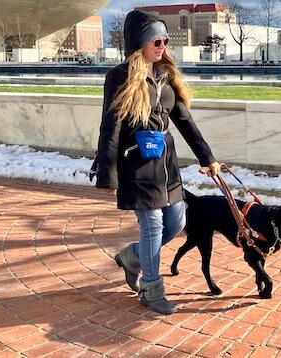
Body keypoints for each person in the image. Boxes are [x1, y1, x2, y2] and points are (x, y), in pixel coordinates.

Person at [95, 9, 220, 315]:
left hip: (166, 164)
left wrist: (208, 157)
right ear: (140, 42)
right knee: (152, 226)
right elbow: (109, 126)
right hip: (136, 164)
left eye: (165, 39)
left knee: (176, 222)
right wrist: (107, 173)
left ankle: (132, 257)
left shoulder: (165, 76)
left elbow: (184, 120)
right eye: (156, 39)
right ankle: (151, 289)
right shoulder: (120, 76)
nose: (162, 44)